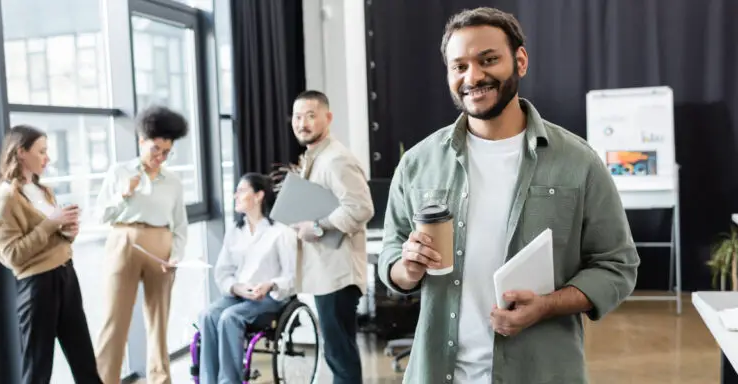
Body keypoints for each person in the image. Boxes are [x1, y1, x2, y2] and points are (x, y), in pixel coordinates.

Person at [378, 7, 640, 384]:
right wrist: (406, 268)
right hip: (438, 372)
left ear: (520, 61)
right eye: (459, 66)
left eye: (488, 60)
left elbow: (618, 265)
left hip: (541, 372)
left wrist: (547, 306)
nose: (473, 77)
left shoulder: (578, 162)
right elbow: (392, 257)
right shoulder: (418, 164)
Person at [0, 125, 102, 384]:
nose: (47, 158)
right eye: (42, 151)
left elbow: (52, 237)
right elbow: (13, 255)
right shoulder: (5, 198)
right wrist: (51, 223)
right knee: (37, 370)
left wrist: (68, 231)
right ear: (21, 153)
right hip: (38, 286)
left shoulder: (41, 189)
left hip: (65, 276)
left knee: (85, 362)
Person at [94, 105, 189, 384]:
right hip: (124, 244)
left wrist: (176, 255)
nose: (160, 157)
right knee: (114, 322)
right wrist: (124, 195)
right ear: (141, 141)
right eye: (155, 149)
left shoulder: (173, 181)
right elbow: (101, 215)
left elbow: (180, 225)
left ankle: (160, 380)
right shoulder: (119, 172)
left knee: (159, 325)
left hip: (162, 249)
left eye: (166, 152)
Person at [290, 90, 374, 384]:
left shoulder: (336, 159)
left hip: (338, 273)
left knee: (340, 357)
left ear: (328, 118)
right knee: (337, 354)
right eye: (297, 117)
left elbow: (362, 208)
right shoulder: (317, 156)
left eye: (311, 116)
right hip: (326, 270)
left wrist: (317, 226)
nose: (302, 123)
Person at [198, 173, 296, 383]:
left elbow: (292, 277)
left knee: (229, 318)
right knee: (207, 315)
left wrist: (270, 284)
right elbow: (223, 272)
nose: (236, 195)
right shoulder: (235, 231)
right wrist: (236, 288)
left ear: (259, 196)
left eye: (242, 191)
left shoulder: (280, 232)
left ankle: (229, 381)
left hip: (269, 298)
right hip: (240, 295)